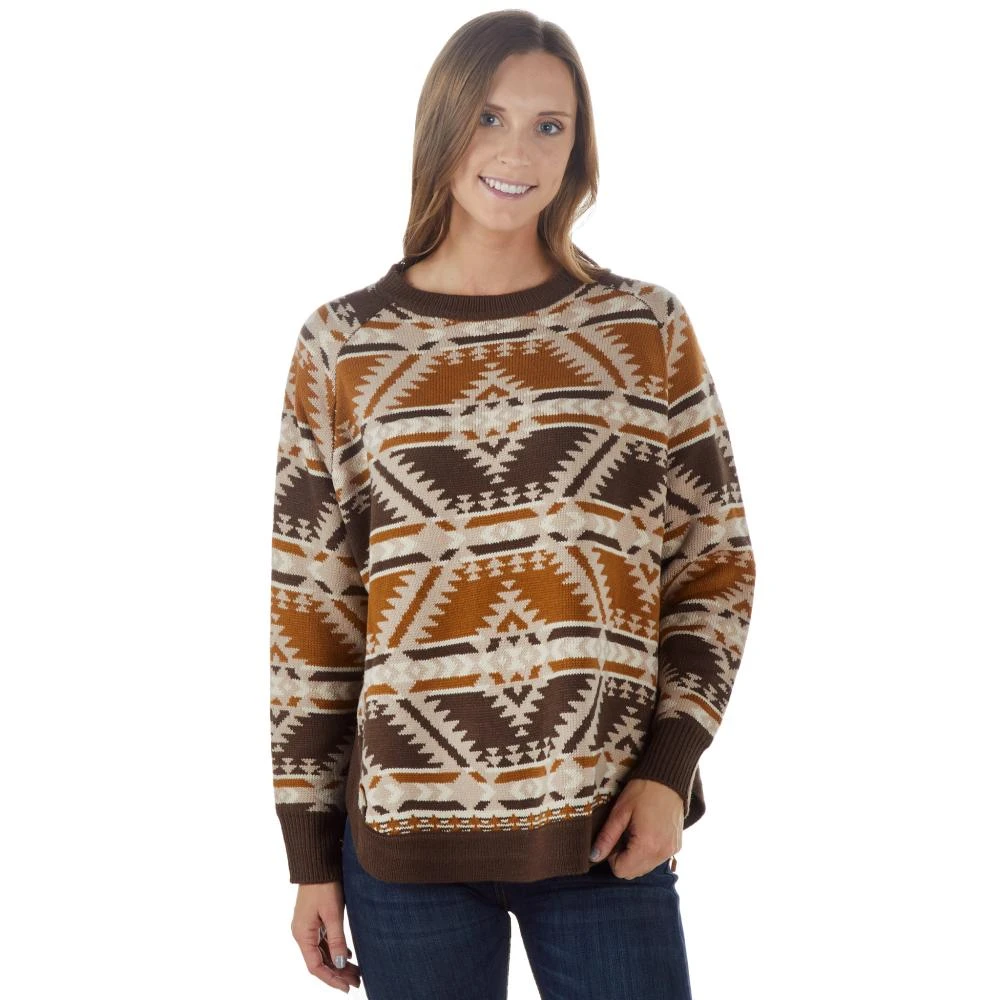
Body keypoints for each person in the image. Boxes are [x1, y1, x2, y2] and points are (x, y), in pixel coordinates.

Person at [269, 10, 756, 998]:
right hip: (404, 846)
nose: (516, 151)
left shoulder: (642, 330)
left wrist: (668, 769)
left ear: (578, 149)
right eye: (489, 117)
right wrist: (309, 851)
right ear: (443, 125)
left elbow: (714, 566)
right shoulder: (342, 346)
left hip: (606, 827)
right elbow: (312, 616)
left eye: (549, 125)